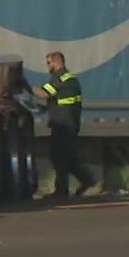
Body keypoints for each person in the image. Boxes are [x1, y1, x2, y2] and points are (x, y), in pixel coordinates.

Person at [39, 51, 95, 198]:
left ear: (57, 62)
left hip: (64, 124)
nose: (48, 66)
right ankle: (86, 180)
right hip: (66, 122)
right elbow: (58, 100)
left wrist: (23, 87)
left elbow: (44, 93)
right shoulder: (68, 79)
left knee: (59, 156)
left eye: (49, 63)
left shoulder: (62, 78)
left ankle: (62, 190)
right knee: (66, 157)